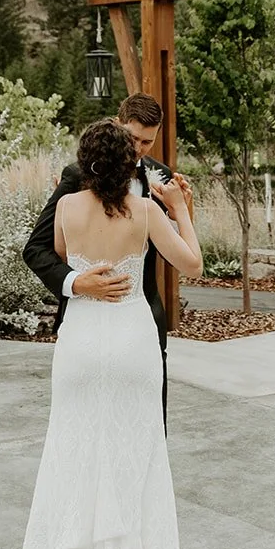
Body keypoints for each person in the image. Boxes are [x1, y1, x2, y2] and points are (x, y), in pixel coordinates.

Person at [17, 118, 202, 549]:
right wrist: (181, 210)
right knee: (134, 455)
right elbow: (191, 262)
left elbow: (58, 244)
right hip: (131, 343)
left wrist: (81, 278)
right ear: (131, 163)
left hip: (79, 345)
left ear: (86, 163)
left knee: (73, 453)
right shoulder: (146, 211)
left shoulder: (70, 207)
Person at [22, 92, 194, 427]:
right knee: (83, 425)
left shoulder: (161, 176)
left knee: (147, 427)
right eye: (132, 138)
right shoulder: (77, 175)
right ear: (117, 125)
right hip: (86, 323)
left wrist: (182, 209)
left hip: (142, 322)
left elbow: (176, 247)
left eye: (148, 142)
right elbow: (36, 248)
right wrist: (76, 282)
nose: (139, 150)